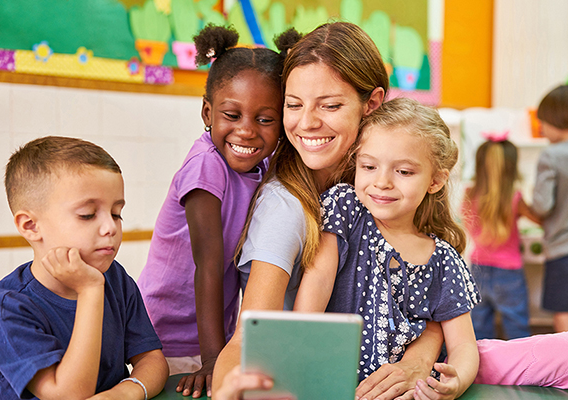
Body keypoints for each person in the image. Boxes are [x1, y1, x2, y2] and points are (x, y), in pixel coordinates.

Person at [214, 22, 446, 400]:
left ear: (371, 103)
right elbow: (248, 336)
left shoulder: (387, 192)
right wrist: (230, 389)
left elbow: (435, 295)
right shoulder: (286, 206)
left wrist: (420, 357)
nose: (307, 122)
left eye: (331, 105)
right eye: (294, 105)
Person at [137, 24, 290, 398]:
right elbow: (209, 264)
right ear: (208, 112)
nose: (247, 131)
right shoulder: (206, 166)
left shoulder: (259, 168)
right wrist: (212, 359)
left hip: (210, 331)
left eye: (265, 119)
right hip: (170, 335)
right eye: (232, 115)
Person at [294, 98, 480, 400]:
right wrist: (298, 355)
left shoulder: (444, 260)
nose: (381, 182)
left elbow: (463, 346)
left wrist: (455, 383)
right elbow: (318, 281)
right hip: (327, 384)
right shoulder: (346, 208)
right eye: (368, 166)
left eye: (404, 172)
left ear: (435, 181)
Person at [0, 136, 168, 400]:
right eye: (88, 214)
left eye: (116, 213)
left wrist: (124, 393)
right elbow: (69, 395)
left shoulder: (115, 277)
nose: (110, 227)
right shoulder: (7, 307)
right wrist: (90, 290)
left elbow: (152, 359)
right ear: (30, 226)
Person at [461, 134, 540, 339]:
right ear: (511, 168)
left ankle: (481, 371)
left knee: (478, 329)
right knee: (517, 328)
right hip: (509, 272)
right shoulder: (515, 198)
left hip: (477, 268)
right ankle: (524, 371)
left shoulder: (469, 194)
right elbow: (541, 220)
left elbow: (467, 225)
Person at [532, 84, 568, 333]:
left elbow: (542, 206)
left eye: (543, 121)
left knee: (563, 311)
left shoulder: (551, 156)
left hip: (562, 249)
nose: (542, 129)